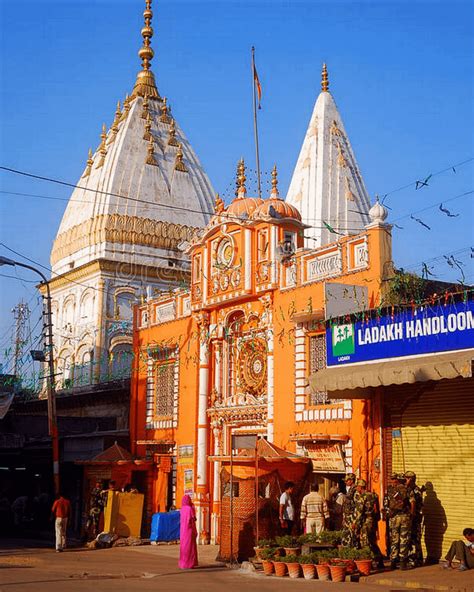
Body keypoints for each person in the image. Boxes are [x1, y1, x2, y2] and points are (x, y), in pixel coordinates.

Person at [387, 474, 415, 570]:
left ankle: (393, 562)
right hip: (404, 516)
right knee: (404, 538)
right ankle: (402, 561)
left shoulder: (390, 490)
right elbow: (412, 502)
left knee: (395, 539)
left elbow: (386, 504)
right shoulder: (407, 489)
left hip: (394, 517)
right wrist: (411, 513)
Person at [354, 479, 384, 567]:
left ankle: (367, 563)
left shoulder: (362, 497)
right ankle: (379, 559)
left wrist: (355, 523)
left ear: (360, 487)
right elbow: (377, 509)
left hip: (366, 521)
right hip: (373, 520)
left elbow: (360, 511)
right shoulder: (373, 495)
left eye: (357, 487)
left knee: (364, 542)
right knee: (372, 541)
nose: (357, 488)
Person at [404, 470, 424, 567]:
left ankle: (417, 559)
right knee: (409, 538)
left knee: (415, 539)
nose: (405, 480)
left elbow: (416, 504)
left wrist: (413, 514)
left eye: (407, 478)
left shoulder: (416, 490)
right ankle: (412, 558)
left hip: (415, 518)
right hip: (409, 518)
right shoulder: (407, 489)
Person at [178, 494, 198, 569]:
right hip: (189, 530)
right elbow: (193, 519)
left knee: (183, 547)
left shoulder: (182, 509)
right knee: (190, 547)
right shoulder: (189, 509)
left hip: (183, 531)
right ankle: (190, 563)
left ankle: (183, 563)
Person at [341, 473, 358, 547]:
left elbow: (357, 505)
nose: (345, 482)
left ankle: (353, 550)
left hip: (352, 516)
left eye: (347, 481)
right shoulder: (350, 489)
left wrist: (354, 518)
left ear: (351, 480)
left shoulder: (355, 490)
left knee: (352, 534)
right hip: (348, 516)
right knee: (347, 534)